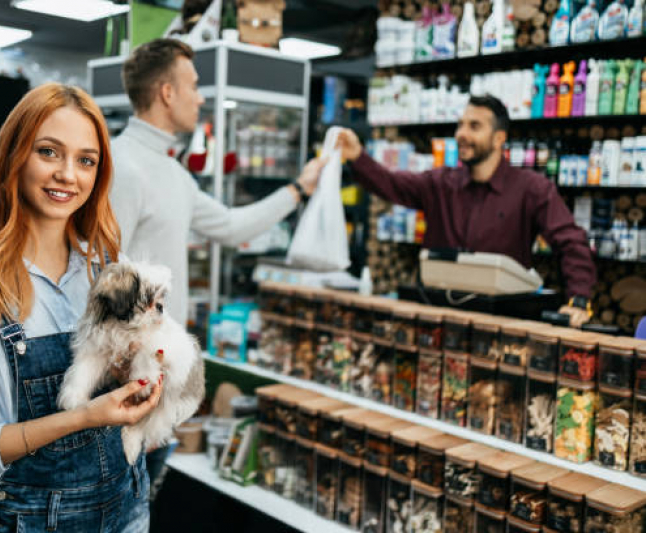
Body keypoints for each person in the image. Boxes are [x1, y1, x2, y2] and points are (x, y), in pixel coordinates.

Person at [0, 83, 163, 533]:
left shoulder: (108, 272)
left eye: (86, 160)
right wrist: (84, 416)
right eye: (49, 152)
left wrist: (145, 376)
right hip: (31, 521)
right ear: (15, 156)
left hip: (126, 508)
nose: (69, 174)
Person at [109, 38, 326, 490]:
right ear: (167, 92)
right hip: (129, 382)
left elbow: (229, 226)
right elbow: (102, 278)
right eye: (193, 85)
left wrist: (299, 189)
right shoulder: (122, 166)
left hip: (163, 375)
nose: (202, 96)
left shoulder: (172, 174)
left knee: (139, 507)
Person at [337, 94, 596, 328]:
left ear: (499, 138)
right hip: (438, 321)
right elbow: (391, 184)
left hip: (501, 326)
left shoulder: (532, 188)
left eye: (474, 126)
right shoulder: (439, 183)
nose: (462, 133)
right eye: (460, 124)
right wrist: (358, 156)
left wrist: (579, 300)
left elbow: (571, 241)